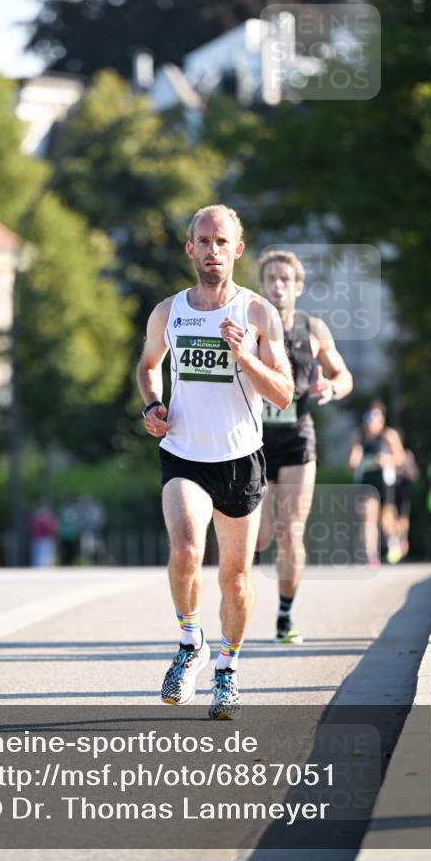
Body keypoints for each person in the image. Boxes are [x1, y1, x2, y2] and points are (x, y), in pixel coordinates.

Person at [136, 205, 294, 719]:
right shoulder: (168, 312)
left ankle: (227, 670)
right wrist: (153, 405)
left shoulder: (257, 313)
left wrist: (244, 357)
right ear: (190, 248)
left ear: (237, 250)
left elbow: (285, 393)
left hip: (240, 460)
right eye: (203, 241)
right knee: (184, 547)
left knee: (236, 580)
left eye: (221, 242)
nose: (212, 250)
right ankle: (189, 643)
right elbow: (148, 366)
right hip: (183, 453)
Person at [255, 250, 353, 643]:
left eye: (285, 278)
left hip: (297, 437)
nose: (277, 285)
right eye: (271, 279)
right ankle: (238, 600)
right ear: (261, 285)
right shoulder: (249, 324)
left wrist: (332, 386)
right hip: (253, 444)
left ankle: (284, 615)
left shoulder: (314, 329)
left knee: (291, 531)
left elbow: (343, 374)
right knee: (257, 538)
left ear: (298, 285)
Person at [348, 401, 405, 567]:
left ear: (382, 419)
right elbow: (353, 459)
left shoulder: (389, 435)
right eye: (369, 417)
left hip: (385, 482)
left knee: (386, 520)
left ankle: (396, 540)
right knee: (368, 519)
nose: (372, 421)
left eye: (376, 417)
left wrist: (387, 460)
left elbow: (401, 458)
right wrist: (354, 460)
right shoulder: (359, 435)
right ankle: (371, 557)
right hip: (367, 483)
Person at [393, 438, 419, 561]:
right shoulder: (387, 453)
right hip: (389, 491)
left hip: (403, 491)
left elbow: (414, 475)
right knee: (391, 517)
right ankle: (393, 545)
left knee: (403, 518)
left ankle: (403, 543)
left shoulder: (408, 455)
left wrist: (405, 470)